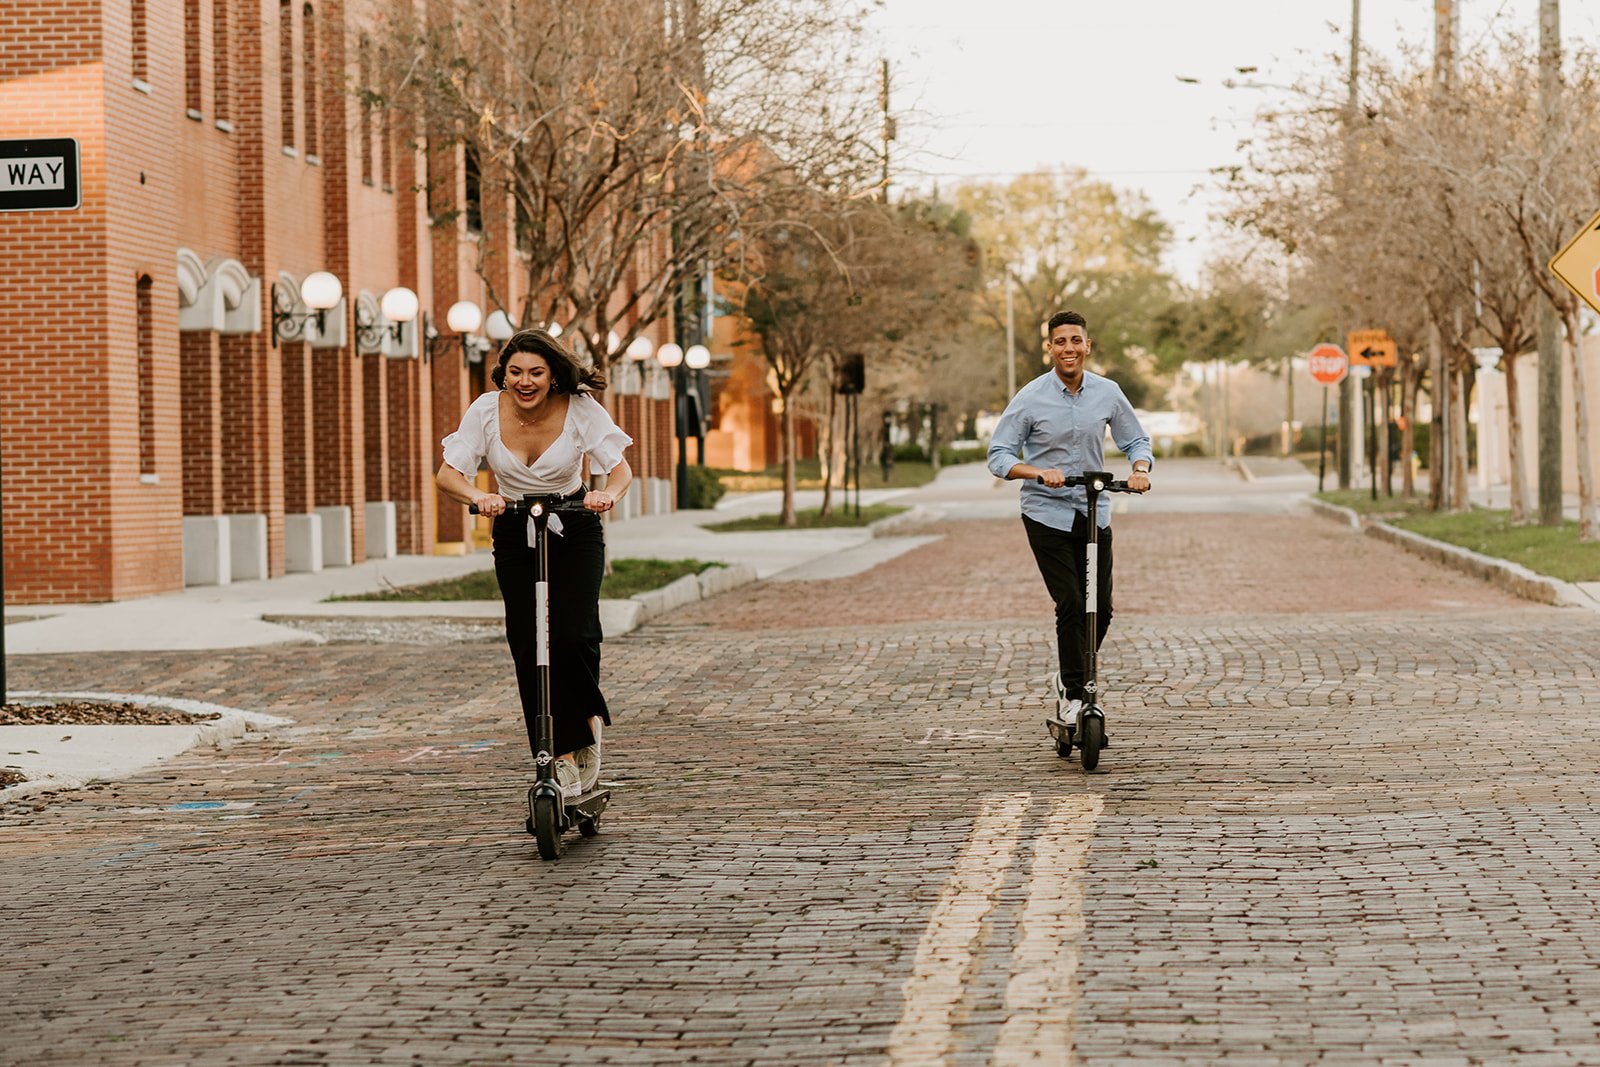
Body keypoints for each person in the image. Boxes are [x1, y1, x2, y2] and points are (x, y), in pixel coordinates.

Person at [436, 328, 634, 799]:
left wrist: (607, 492)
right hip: (513, 526)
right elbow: (448, 474)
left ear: (552, 376)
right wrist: (480, 495)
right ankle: (557, 759)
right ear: (504, 374)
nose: (525, 382)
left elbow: (620, 467)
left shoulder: (580, 407)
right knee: (529, 644)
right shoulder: (485, 409)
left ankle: (585, 727)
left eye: (536, 373)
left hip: (573, 522)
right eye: (516, 372)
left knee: (572, 635)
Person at [986, 310, 1153, 745]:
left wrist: (1138, 469)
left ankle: (1068, 678)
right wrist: (1037, 472)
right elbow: (999, 455)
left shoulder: (1108, 393)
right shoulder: (1030, 397)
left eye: (1075, 340)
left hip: (1094, 512)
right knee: (1071, 605)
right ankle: (1074, 696)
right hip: (1046, 514)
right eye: (1060, 342)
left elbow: (1136, 440)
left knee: (1102, 608)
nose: (1069, 349)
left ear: (1088, 345)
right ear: (1050, 348)